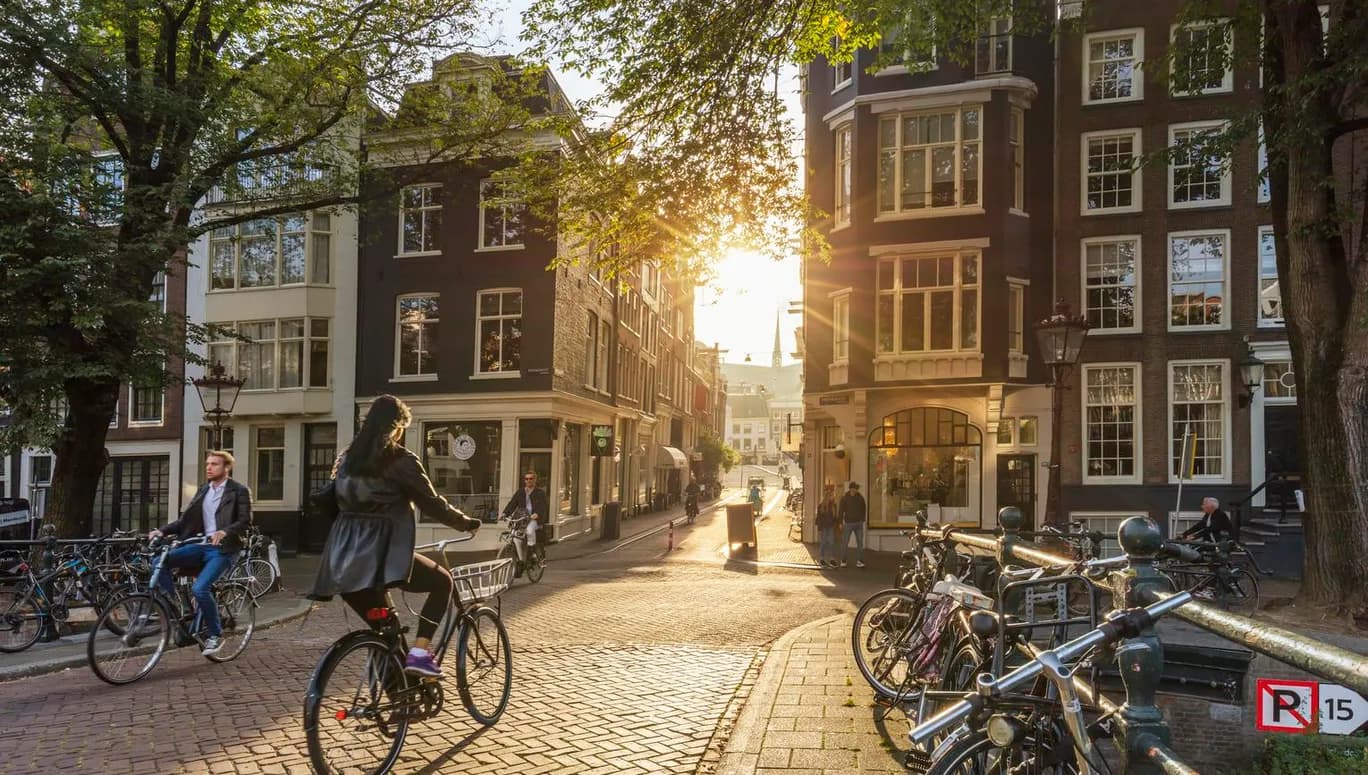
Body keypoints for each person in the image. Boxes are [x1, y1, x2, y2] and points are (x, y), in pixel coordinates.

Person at [308, 395, 481, 678]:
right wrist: (465, 523)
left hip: (341, 565)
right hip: (380, 558)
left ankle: (399, 702)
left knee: (385, 634)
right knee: (442, 581)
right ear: (397, 427)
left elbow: (325, 502)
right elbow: (431, 502)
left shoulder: (347, 459)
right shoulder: (400, 460)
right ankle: (421, 654)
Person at [148, 450, 252, 657]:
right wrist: (163, 530)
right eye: (207, 463)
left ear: (226, 468)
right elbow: (185, 520)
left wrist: (224, 531)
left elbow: (244, 521)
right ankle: (177, 608)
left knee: (200, 588)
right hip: (200, 545)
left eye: (214, 464)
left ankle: (214, 634)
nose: (209, 467)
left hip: (223, 550)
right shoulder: (203, 490)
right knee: (160, 562)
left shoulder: (238, 490)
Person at [503, 471, 550, 563]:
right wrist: (505, 513)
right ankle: (520, 560)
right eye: (526, 479)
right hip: (522, 519)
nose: (528, 480)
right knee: (516, 536)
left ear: (535, 480)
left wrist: (537, 514)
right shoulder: (520, 492)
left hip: (534, 519)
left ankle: (532, 553)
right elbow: (512, 503)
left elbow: (543, 506)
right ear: (524, 481)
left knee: (529, 530)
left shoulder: (540, 493)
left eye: (531, 479)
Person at [838, 480, 867, 568]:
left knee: (860, 542)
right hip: (848, 523)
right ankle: (843, 560)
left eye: (856, 489)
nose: (855, 490)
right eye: (854, 488)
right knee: (845, 542)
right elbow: (841, 511)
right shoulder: (844, 498)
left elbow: (863, 508)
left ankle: (859, 561)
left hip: (858, 523)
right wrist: (840, 522)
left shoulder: (860, 498)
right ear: (850, 489)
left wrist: (862, 519)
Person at [815, 484, 839, 567]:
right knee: (823, 542)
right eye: (831, 496)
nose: (833, 497)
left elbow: (835, 518)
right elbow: (818, 518)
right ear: (827, 497)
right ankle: (821, 559)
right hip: (823, 527)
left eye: (832, 495)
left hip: (830, 526)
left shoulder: (834, 506)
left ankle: (832, 559)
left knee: (832, 542)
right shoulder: (821, 506)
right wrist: (819, 528)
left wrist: (836, 524)